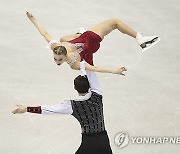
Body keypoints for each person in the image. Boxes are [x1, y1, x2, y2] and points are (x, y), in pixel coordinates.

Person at [12, 62, 127, 154]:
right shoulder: (97, 95)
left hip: (88, 142)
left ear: (75, 88)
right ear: (89, 86)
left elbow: (48, 109)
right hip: (103, 139)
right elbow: (91, 69)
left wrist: (27, 108)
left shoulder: (72, 106)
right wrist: (82, 61)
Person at [26, 12, 160, 75]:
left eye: (58, 59)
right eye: (57, 59)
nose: (57, 61)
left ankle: (80, 34)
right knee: (114, 22)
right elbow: (95, 69)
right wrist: (115, 71)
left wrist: (33, 19)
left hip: (88, 41)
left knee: (63, 38)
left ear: (62, 52)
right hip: (88, 41)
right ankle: (141, 40)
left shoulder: (67, 57)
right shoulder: (67, 57)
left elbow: (44, 33)